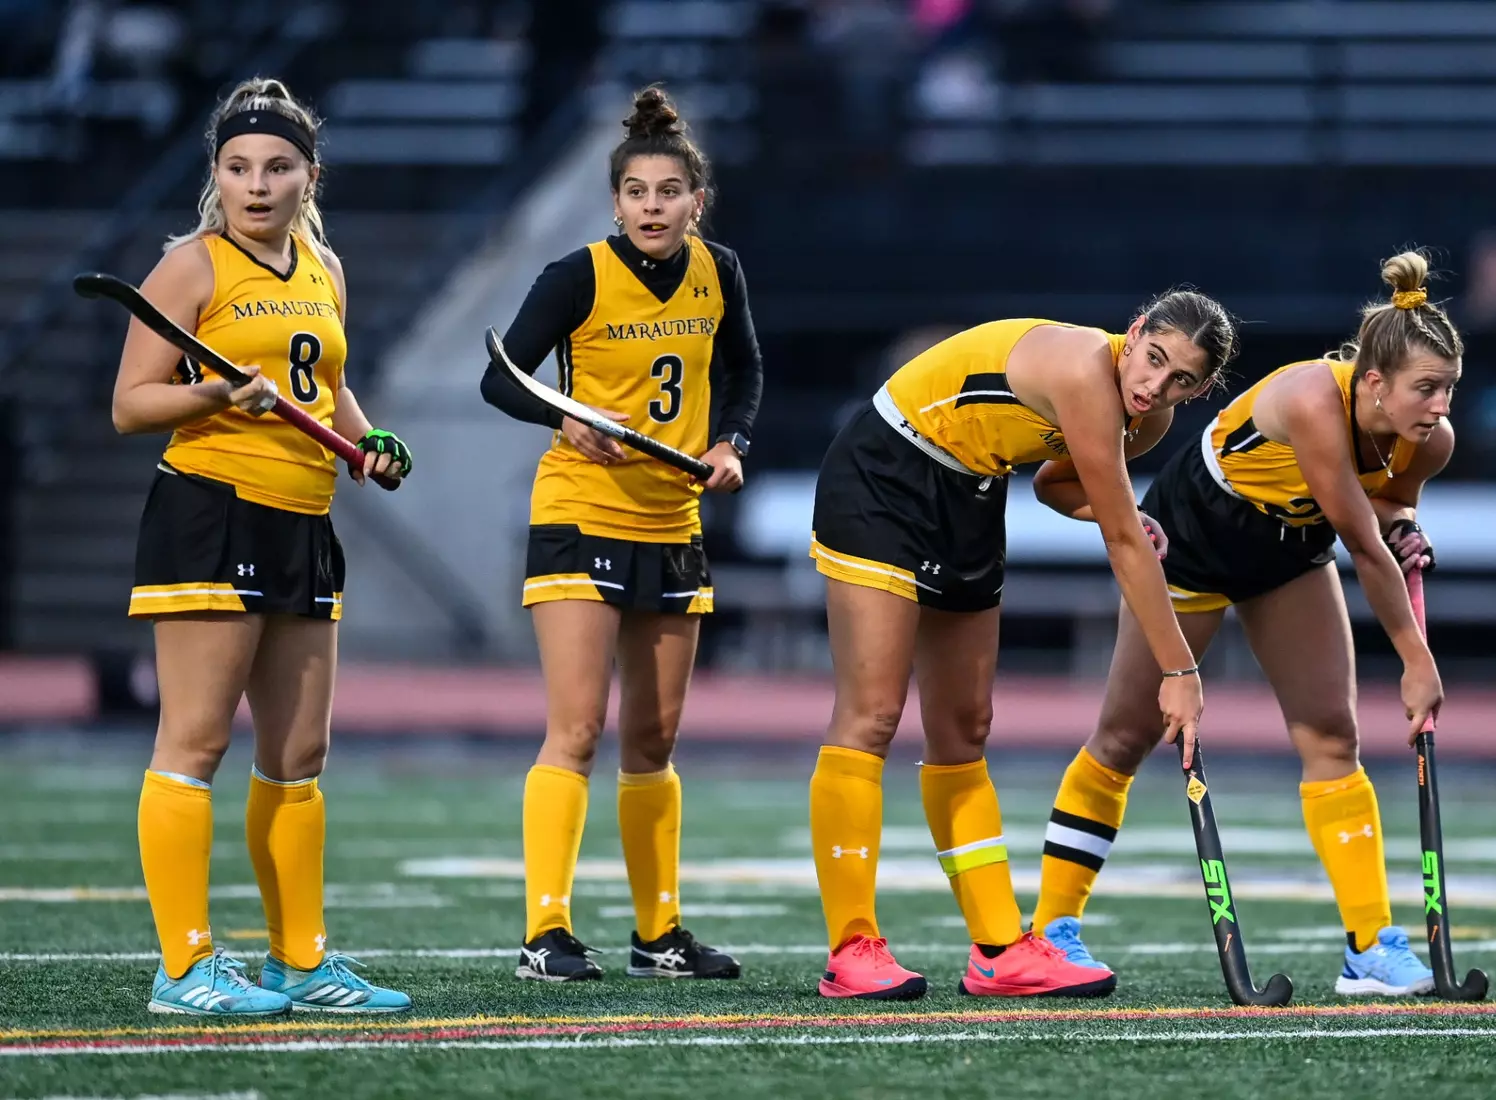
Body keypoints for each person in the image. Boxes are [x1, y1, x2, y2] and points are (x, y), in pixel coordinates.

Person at [1031, 251, 1460, 997]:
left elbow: (1381, 511)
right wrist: (1415, 661)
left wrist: (1405, 526)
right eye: (1426, 389)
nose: (1439, 407)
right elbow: (1359, 540)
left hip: (1289, 548)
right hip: (1195, 531)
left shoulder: (1431, 439)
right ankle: (1050, 928)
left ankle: (1368, 947)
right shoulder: (1308, 403)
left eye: (1448, 390)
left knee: (1332, 733)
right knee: (1124, 737)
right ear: (1372, 383)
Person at [807, 294, 1238, 999]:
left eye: (1180, 381)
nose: (1154, 386)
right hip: (885, 473)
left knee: (964, 728)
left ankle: (998, 951)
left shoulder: (1145, 419)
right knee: (874, 713)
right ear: (1133, 334)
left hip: (971, 492)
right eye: (1153, 359)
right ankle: (851, 944)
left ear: (1198, 391)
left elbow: (1053, 484)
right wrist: (1179, 669)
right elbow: (1122, 542)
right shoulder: (1079, 371)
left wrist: (1119, 507)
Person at [112, 77, 412, 1016]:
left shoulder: (324, 267)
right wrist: (214, 395)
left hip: (304, 517)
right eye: (239, 167)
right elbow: (130, 405)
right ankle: (183, 967)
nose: (256, 184)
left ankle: (300, 961)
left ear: (307, 176)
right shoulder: (191, 269)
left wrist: (368, 441)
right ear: (216, 176)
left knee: (298, 752)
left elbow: (323, 384)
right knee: (194, 741)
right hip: (212, 512)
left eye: (276, 167)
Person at [479, 85, 762, 984]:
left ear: (695, 200)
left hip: (671, 520)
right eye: (636, 192)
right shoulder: (575, 276)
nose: (651, 206)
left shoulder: (722, 270)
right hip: (580, 513)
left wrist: (731, 443)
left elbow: (745, 369)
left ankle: (658, 933)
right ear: (615, 201)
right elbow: (501, 378)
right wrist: (561, 421)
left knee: (654, 739)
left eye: (667, 192)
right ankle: (544, 932)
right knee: (578, 727)